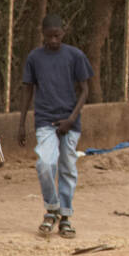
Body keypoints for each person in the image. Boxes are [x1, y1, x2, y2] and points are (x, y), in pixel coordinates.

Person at [18, 14, 92, 238]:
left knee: (68, 167)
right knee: (45, 164)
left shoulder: (75, 56)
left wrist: (71, 118)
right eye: (49, 36)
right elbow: (28, 90)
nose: (53, 40)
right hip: (45, 121)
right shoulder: (35, 58)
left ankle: (66, 217)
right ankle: (52, 208)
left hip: (70, 121)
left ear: (63, 33)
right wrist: (21, 123)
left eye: (57, 36)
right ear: (43, 34)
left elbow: (85, 90)